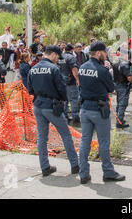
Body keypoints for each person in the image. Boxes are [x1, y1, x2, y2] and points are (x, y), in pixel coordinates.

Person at [26, 45, 79, 177]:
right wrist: (62, 101)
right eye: (57, 57)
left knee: (42, 138)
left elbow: (30, 89)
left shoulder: (33, 69)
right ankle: (75, 165)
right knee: (66, 134)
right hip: (52, 106)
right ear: (53, 55)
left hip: (38, 105)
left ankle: (45, 167)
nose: (58, 60)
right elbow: (62, 89)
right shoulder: (54, 69)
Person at [78, 41, 126, 184]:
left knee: (84, 142)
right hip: (99, 110)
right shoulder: (102, 70)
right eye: (104, 53)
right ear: (98, 53)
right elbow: (111, 88)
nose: (106, 55)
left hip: (85, 109)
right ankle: (108, 172)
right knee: (103, 142)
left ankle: (84, 174)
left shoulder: (81, 68)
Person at [112, 47, 132, 129]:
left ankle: (119, 119)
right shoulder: (125, 64)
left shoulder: (115, 62)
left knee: (119, 102)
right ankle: (119, 121)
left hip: (117, 84)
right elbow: (129, 77)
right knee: (122, 103)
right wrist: (131, 81)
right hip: (123, 85)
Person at [60, 44, 81, 124]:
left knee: (64, 100)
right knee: (73, 100)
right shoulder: (71, 57)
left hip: (62, 81)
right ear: (72, 50)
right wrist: (77, 79)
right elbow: (74, 69)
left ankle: (65, 116)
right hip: (70, 82)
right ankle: (75, 117)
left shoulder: (60, 57)